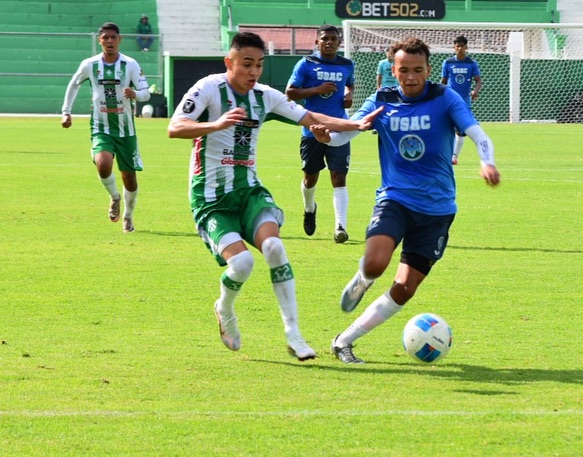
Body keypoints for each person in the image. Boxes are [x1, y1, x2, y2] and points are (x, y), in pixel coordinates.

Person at [167, 32, 380, 360]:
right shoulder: (208, 88)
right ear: (230, 63)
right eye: (247, 64)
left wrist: (355, 125)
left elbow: (311, 118)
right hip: (211, 199)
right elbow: (175, 126)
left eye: (259, 65)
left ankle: (293, 334)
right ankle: (224, 308)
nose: (254, 72)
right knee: (242, 264)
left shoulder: (264, 96)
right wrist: (215, 124)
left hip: (249, 192)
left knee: (274, 247)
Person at [310, 37, 500, 364]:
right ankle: (364, 279)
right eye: (404, 70)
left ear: (428, 70)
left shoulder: (445, 97)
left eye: (418, 70)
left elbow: (478, 134)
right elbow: (349, 131)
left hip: (438, 210)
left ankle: (344, 340)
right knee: (375, 263)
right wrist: (329, 136)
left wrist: (487, 161)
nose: (411, 77)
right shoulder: (381, 100)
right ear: (393, 71)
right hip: (395, 199)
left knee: (405, 288)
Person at [61, 22, 150, 233]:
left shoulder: (131, 64)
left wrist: (135, 94)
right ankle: (114, 197)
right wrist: (66, 111)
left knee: (129, 177)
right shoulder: (90, 65)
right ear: (99, 40)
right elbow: (74, 83)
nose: (109, 41)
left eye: (113, 37)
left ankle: (128, 215)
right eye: (105, 38)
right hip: (101, 126)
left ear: (120, 40)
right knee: (102, 163)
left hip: (126, 130)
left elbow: (146, 92)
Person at [285, 25, 355, 243]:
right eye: (325, 38)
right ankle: (309, 208)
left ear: (339, 42)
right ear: (317, 42)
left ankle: (340, 227)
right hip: (312, 130)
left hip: (339, 128)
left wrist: (348, 95)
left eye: (334, 39)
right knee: (310, 177)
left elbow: (350, 86)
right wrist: (317, 90)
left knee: (339, 177)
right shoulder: (306, 64)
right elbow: (290, 93)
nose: (330, 42)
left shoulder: (346, 64)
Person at [440, 35, 482, 165]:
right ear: (454, 47)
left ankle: (454, 156)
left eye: (462, 46)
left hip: (464, 101)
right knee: (445, 128)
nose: (460, 48)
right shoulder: (448, 63)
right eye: (457, 46)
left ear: (466, 47)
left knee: (460, 130)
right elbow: (444, 81)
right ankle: (444, 154)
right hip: (450, 99)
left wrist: (476, 91)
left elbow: (478, 80)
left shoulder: (471, 63)